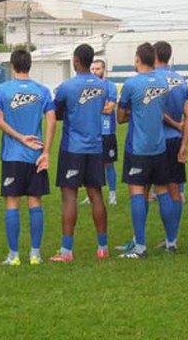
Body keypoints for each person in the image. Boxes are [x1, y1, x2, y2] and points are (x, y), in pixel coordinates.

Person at [0, 49, 56, 266]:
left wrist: (20, 138)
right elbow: (52, 121)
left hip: (12, 155)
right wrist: (46, 151)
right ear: (30, 65)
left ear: (12, 65)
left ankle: (14, 255)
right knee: (35, 201)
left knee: (12, 202)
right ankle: (35, 254)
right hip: (36, 155)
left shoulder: (3, 90)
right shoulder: (42, 91)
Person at [50, 44, 110, 262]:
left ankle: (66, 251)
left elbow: (55, 111)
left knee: (69, 197)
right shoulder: (102, 86)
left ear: (76, 61)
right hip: (95, 147)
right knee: (96, 195)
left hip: (73, 148)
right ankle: (102, 247)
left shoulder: (67, 87)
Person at [116, 42, 176, 259]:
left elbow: (120, 116)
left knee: (137, 193)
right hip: (159, 146)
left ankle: (140, 247)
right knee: (162, 192)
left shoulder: (131, 84)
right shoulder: (163, 82)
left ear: (138, 59)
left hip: (138, 147)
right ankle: (171, 242)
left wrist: (133, 113)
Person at [154, 41, 188, 250]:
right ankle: (172, 239)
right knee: (175, 190)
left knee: (154, 190)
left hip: (157, 141)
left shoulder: (152, 79)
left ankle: (141, 241)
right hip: (177, 141)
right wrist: (185, 143)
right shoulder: (180, 80)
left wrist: (173, 123)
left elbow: (156, 112)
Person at [80, 59, 118, 206]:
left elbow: (110, 108)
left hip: (107, 131)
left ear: (104, 70)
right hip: (91, 131)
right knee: (90, 164)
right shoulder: (87, 88)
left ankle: (112, 195)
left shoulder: (110, 86)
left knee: (108, 164)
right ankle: (91, 196)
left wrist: (91, 108)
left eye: (97, 69)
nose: (94, 71)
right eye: (93, 69)